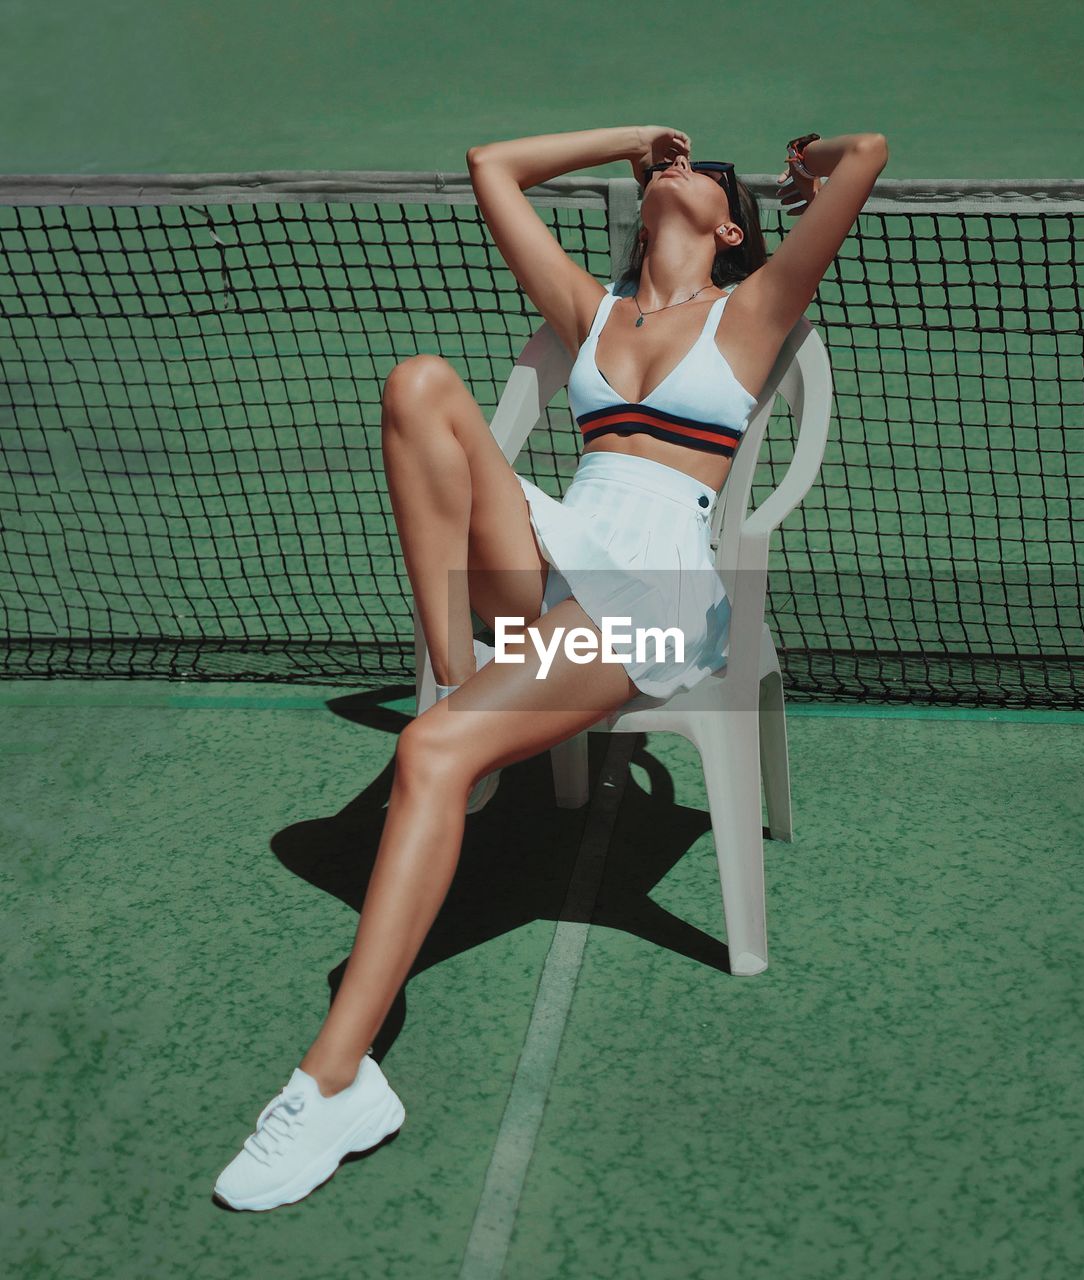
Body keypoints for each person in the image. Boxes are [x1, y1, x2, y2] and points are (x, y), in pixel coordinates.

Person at [212, 124, 888, 1211]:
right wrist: (631, 137)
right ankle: (460, 688)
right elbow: (490, 166)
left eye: (703, 173)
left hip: (656, 593)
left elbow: (868, 156)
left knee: (428, 748)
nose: (678, 167)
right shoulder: (590, 311)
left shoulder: (753, 312)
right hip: (554, 561)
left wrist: (809, 164)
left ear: (729, 227)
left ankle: (335, 1076)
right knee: (421, 381)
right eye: (666, 163)